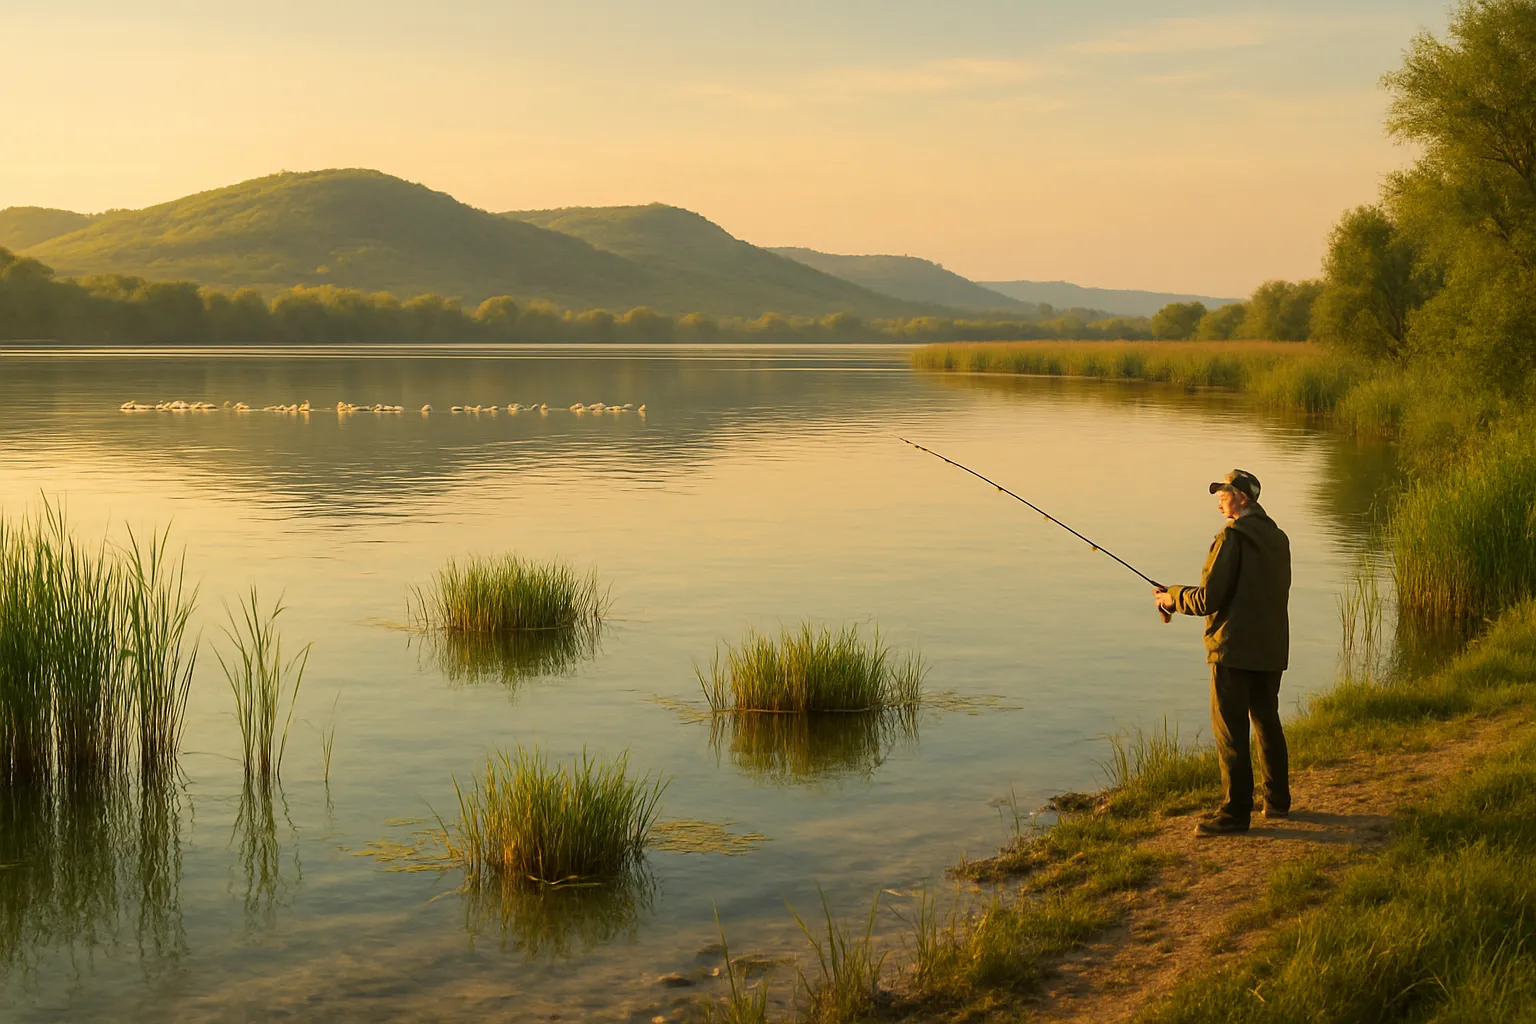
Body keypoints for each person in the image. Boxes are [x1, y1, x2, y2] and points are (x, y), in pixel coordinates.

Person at [1154, 470, 1292, 837]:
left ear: (1243, 499)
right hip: (1271, 648)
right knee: (1267, 722)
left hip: (1232, 649)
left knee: (1231, 730)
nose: (1218, 499)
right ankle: (1277, 802)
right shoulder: (1278, 538)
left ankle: (1234, 813)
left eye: (1225, 494)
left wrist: (1171, 596)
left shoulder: (1231, 537)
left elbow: (1208, 599)